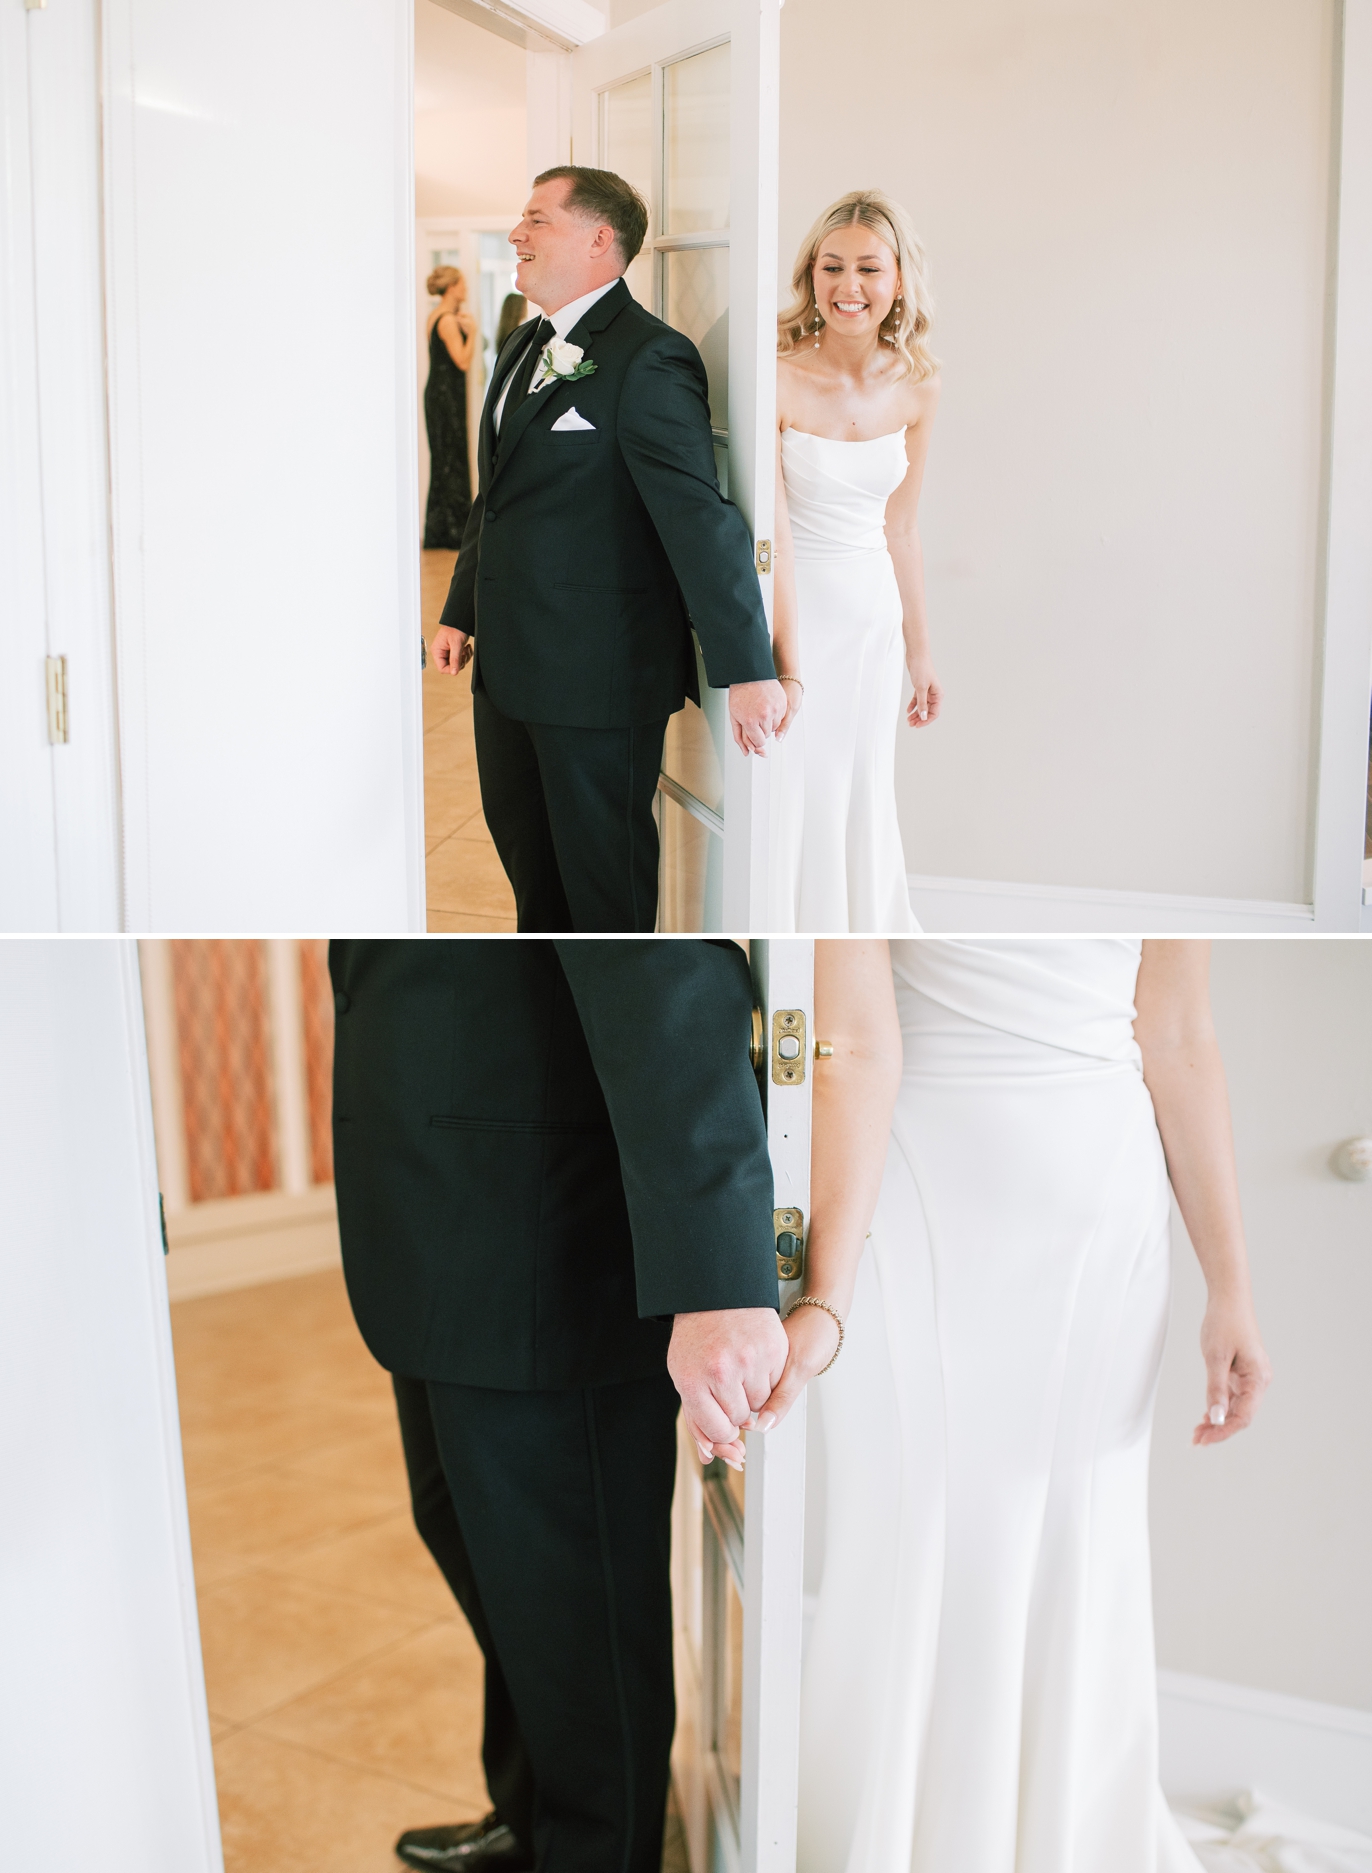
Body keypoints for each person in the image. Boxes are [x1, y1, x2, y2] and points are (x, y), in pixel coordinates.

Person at [760, 938, 1272, 1873]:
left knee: (1077, 1541)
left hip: (1093, 1205)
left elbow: (1179, 1030)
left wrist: (1230, 1284)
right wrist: (829, 1294)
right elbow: (853, 1044)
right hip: (912, 1184)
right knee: (906, 1532)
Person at [327, 937, 789, 1873]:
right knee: (485, 1554)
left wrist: (713, 1270)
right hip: (429, 1193)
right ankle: (533, 1815)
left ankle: (595, 1847)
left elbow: (646, 949)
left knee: (577, 1622)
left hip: (539, 1218)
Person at [431, 167, 787, 934]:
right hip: (507, 677)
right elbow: (496, 495)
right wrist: (460, 610)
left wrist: (750, 666)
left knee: (606, 897)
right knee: (533, 880)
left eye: (536, 220)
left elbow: (698, 519)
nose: (516, 235)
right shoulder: (525, 341)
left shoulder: (650, 358)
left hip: (597, 681)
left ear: (599, 239)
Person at [771, 193, 943, 932]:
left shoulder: (918, 386)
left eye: (869, 268)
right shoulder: (774, 377)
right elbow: (769, 534)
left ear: (898, 280)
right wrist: (783, 658)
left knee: (861, 785)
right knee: (794, 786)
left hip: (872, 617)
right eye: (831, 266)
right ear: (810, 276)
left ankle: (858, 938)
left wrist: (921, 651)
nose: (849, 286)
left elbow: (901, 528)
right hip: (796, 608)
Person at [424, 265, 477, 550]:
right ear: (452, 287)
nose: (466, 288)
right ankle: (455, 531)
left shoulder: (436, 316)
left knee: (443, 460)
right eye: (463, 283)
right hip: (446, 398)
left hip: (439, 395)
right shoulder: (446, 320)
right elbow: (463, 362)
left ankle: (441, 530)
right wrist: (474, 334)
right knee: (451, 459)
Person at [494, 290, 528, 357]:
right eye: (525, 306)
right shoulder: (518, 336)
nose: (527, 309)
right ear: (518, 309)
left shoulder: (503, 333)